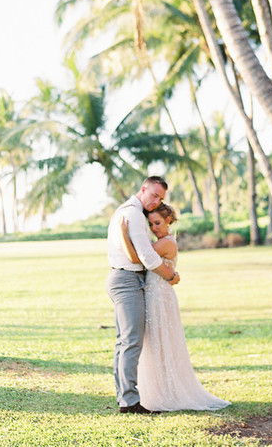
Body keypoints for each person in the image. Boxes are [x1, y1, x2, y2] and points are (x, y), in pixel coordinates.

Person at [121, 202, 231, 412]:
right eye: (150, 224)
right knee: (155, 342)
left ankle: (168, 391)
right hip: (154, 294)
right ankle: (156, 388)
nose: (154, 228)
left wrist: (124, 234)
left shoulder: (166, 243)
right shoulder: (161, 241)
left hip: (160, 298)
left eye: (157, 223)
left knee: (162, 342)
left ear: (168, 220)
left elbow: (136, 258)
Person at [106, 176, 180, 414]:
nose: (156, 201)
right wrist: (169, 275)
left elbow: (139, 254)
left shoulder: (130, 212)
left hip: (126, 278)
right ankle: (129, 401)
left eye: (161, 198)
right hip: (127, 280)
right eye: (154, 195)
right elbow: (146, 258)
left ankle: (125, 397)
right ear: (143, 189)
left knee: (125, 342)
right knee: (131, 341)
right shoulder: (135, 214)